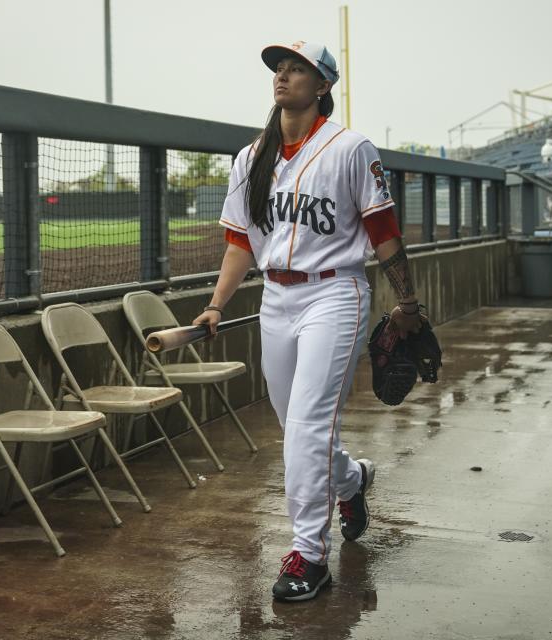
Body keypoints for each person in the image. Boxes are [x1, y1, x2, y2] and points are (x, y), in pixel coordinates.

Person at [192, 40, 424, 602]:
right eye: (280, 67)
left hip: (334, 296)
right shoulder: (251, 158)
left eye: (298, 69)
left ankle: (309, 555)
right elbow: (239, 245)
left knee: (308, 427)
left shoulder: (350, 147)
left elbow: (384, 232)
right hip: (276, 298)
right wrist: (217, 304)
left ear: (322, 85)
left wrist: (409, 304)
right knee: (293, 425)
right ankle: (352, 480)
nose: (284, 75)